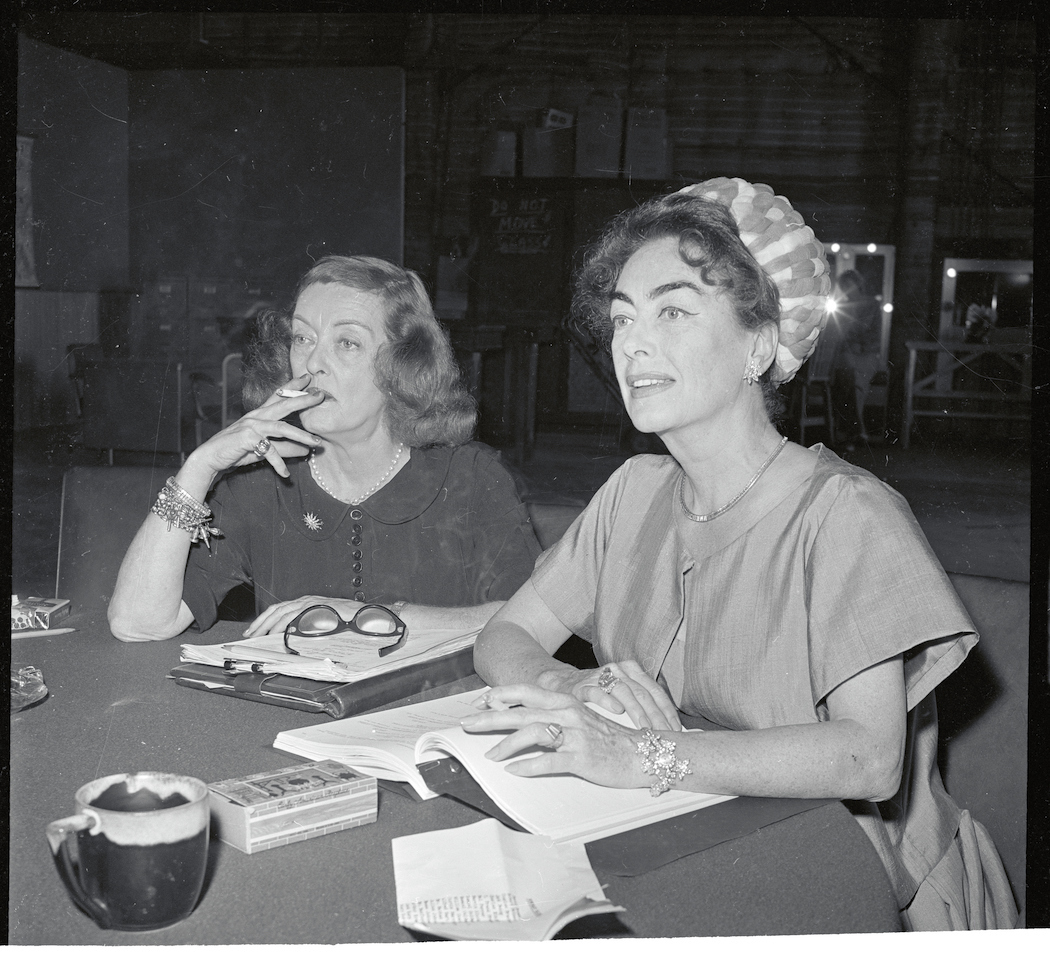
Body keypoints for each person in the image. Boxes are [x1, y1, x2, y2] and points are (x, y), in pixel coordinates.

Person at [464, 178, 1017, 931]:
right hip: (685, 842)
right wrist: (575, 689)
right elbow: (503, 637)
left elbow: (869, 757)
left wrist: (645, 754)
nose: (632, 343)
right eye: (622, 319)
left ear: (760, 343)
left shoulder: (847, 514)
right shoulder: (632, 492)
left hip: (857, 888)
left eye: (673, 311)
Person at [109, 255, 540, 643]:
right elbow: (137, 623)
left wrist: (366, 617)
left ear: (403, 365)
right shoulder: (260, 485)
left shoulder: (471, 478)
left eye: (347, 342)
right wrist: (198, 469)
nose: (313, 362)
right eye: (302, 338)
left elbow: (532, 622)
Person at [831, 268, 882, 443]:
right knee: (848, 379)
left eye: (848, 285)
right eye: (843, 286)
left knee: (856, 383)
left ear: (857, 284)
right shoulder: (843, 306)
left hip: (867, 353)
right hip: (850, 354)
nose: (846, 289)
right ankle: (856, 431)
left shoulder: (871, 304)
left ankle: (853, 430)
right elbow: (839, 335)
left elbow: (864, 330)